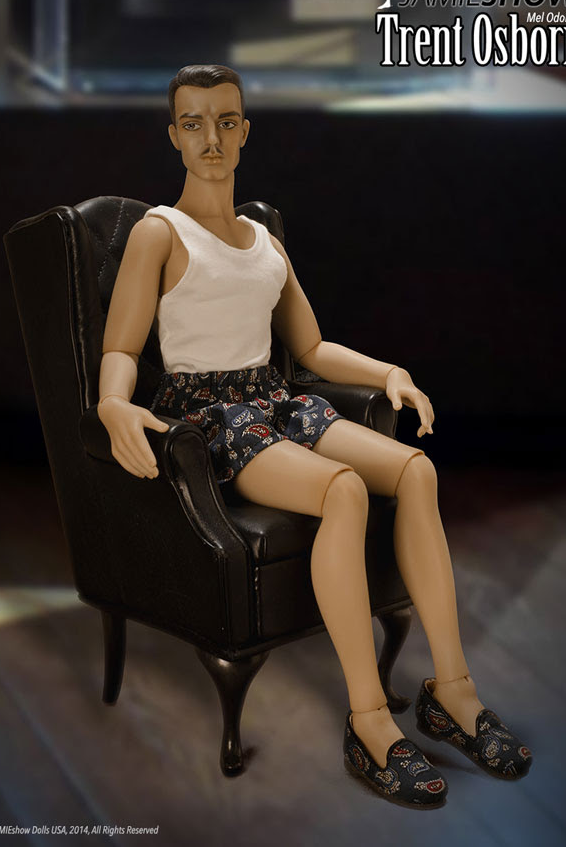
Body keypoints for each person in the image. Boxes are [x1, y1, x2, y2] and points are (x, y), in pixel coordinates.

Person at [97, 63, 532, 808]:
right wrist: (113, 404)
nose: (211, 139)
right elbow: (120, 345)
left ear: (244, 131)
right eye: (194, 124)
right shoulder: (157, 232)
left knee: (416, 471)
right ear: (174, 136)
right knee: (343, 490)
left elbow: (311, 347)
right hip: (214, 419)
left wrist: (389, 372)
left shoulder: (265, 241)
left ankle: (451, 692)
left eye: (225, 121)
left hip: (276, 399)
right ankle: (369, 721)